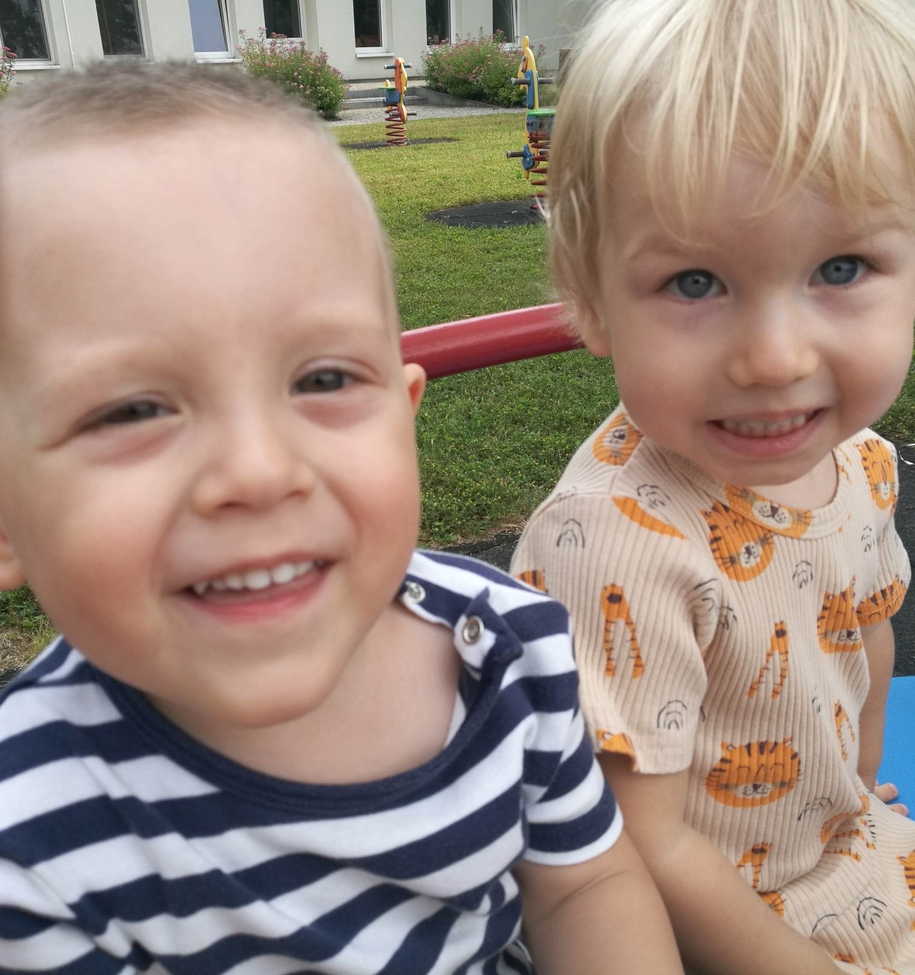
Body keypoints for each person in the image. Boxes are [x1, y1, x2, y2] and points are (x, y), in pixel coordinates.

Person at [0, 63, 683, 974]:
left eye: (322, 379)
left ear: (404, 415)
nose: (257, 472)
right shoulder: (31, 834)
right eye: (130, 410)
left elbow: (585, 886)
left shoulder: (507, 648)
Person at [510, 1, 915, 972]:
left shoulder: (861, 461)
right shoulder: (614, 541)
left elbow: (866, 632)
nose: (774, 359)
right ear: (589, 298)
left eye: (842, 266)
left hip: (839, 848)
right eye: (694, 282)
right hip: (702, 922)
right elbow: (631, 847)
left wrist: (854, 799)